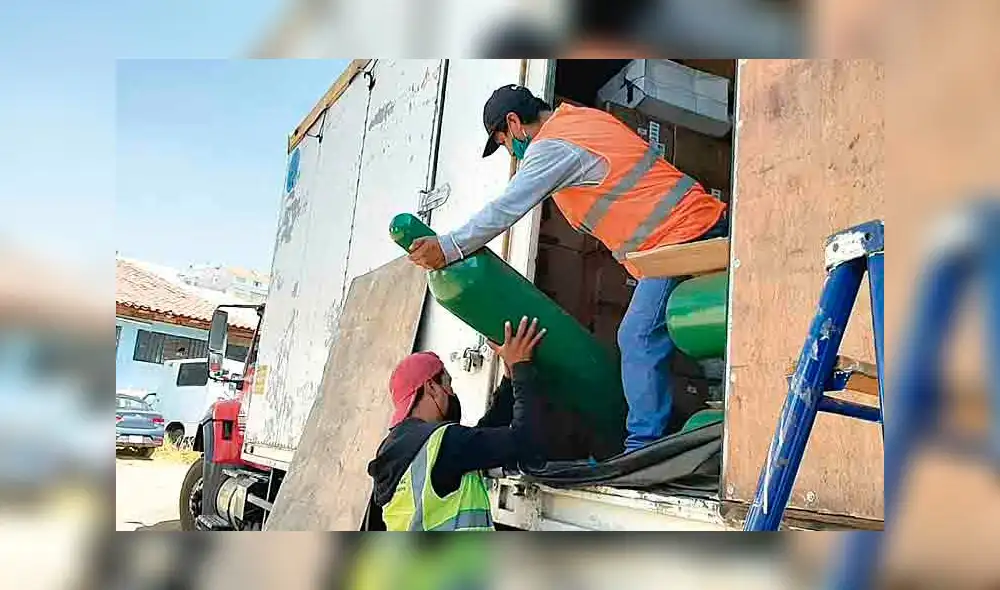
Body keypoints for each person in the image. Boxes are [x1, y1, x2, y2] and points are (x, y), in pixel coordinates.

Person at [406, 84, 728, 453]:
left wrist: (447, 247)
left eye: (505, 142)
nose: (512, 154)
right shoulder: (582, 120)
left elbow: (508, 206)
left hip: (677, 236)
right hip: (692, 224)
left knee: (637, 337)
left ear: (514, 123)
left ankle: (642, 449)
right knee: (688, 326)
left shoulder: (552, 146)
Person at [367, 317, 546, 531]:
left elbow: (478, 440)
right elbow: (525, 441)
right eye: (448, 385)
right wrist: (521, 368)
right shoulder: (442, 443)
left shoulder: (393, 450)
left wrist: (509, 379)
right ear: (432, 388)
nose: (452, 393)